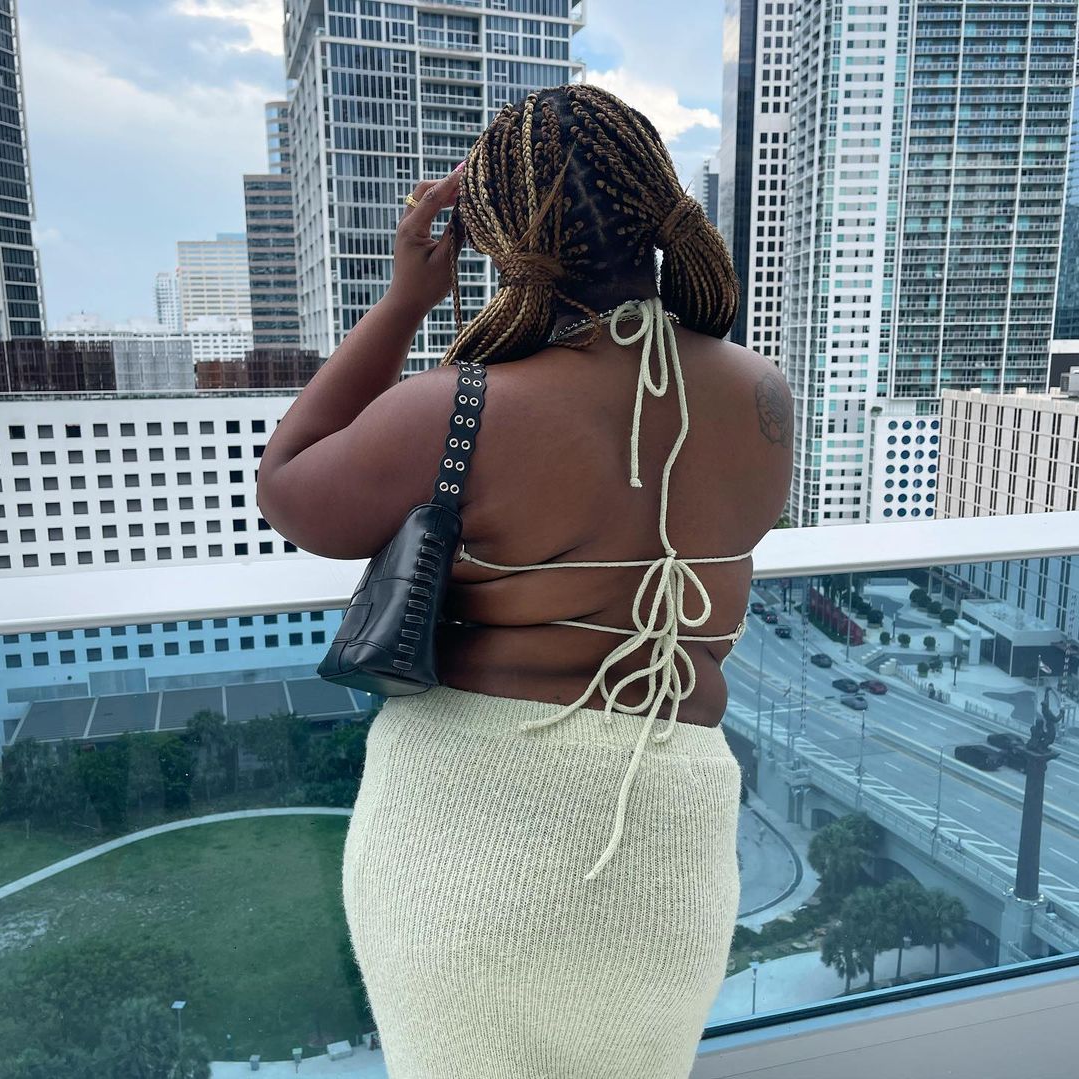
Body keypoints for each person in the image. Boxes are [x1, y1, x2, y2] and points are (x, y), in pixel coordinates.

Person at [258, 83, 793, 1079]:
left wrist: (408, 298)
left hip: (468, 848)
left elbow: (289, 489)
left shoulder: (460, 407)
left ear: (493, 230)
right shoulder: (760, 390)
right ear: (657, 201)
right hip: (670, 856)